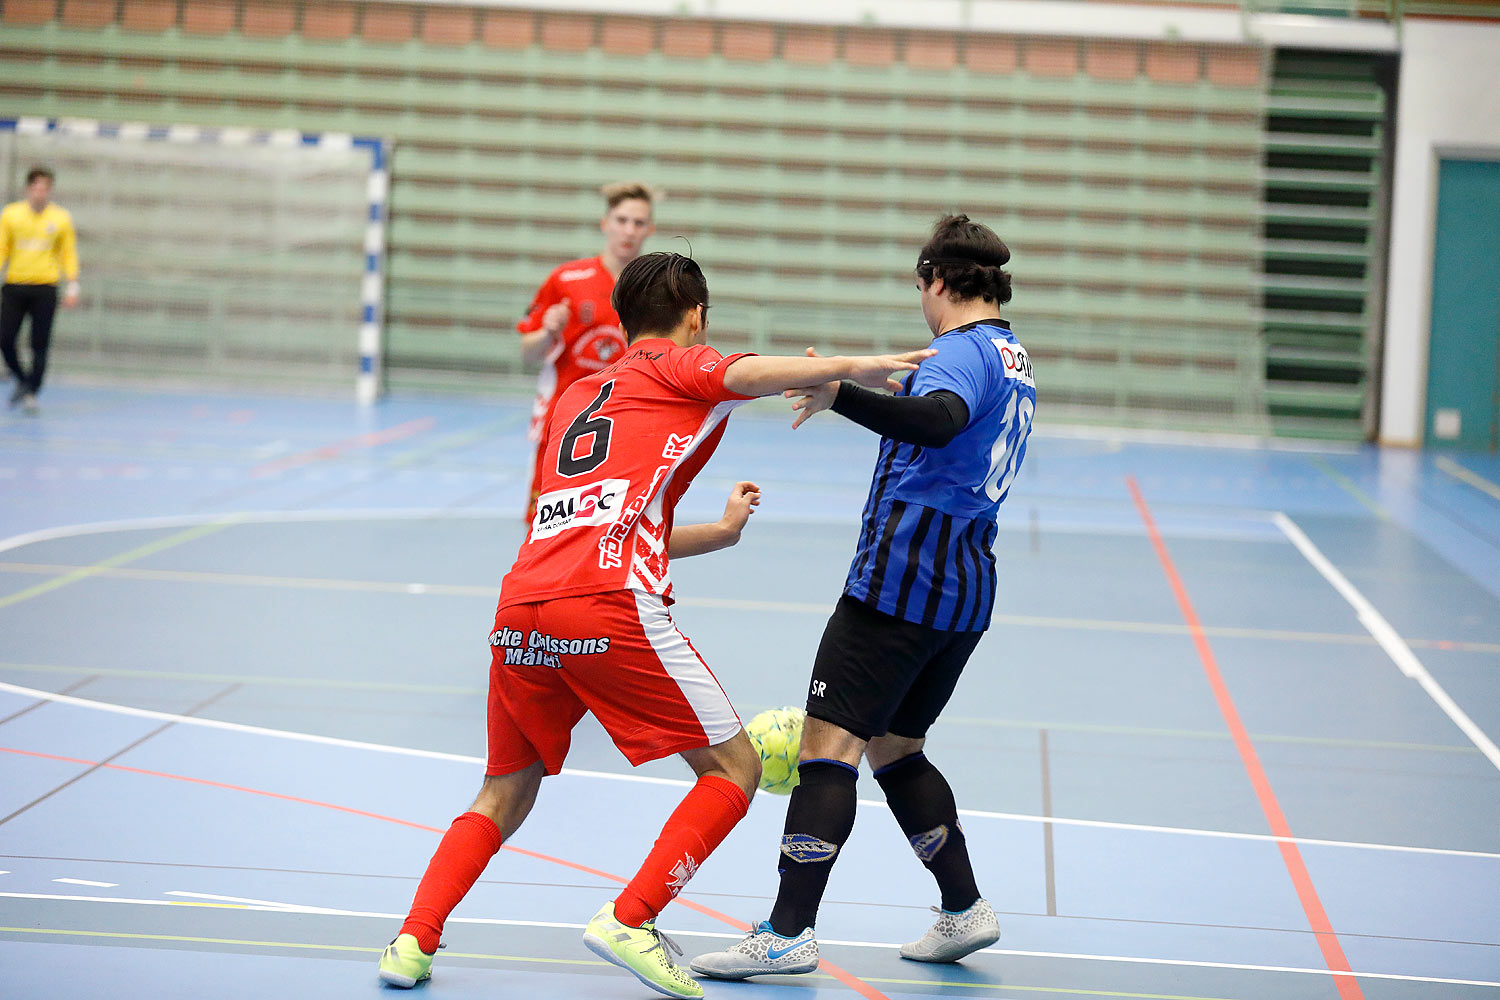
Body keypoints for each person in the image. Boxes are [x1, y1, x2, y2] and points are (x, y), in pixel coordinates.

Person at [377, 251, 935, 999]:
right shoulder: (679, 367)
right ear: (696, 316)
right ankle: (632, 919)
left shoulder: (578, 395)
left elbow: (594, 522)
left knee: (501, 794)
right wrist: (853, 368)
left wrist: (721, 532)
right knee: (736, 769)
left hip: (524, 605)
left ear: (619, 319)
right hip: (607, 606)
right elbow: (747, 374)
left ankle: (412, 940)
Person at [692, 214, 1036, 979]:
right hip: (965, 586)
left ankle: (787, 931)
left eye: (920, 288)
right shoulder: (1012, 355)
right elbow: (942, 418)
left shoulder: (960, 351)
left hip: (901, 583)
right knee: (896, 747)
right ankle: (963, 907)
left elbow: (940, 421)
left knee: (829, 747)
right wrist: (852, 388)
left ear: (937, 282)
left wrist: (839, 391)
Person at [516, 181, 656, 519]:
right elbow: (527, 353)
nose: (629, 231)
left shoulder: (655, 288)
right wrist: (548, 331)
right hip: (563, 423)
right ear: (605, 222)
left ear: (650, 229)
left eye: (638, 223)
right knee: (544, 525)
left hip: (627, 425)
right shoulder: (566, 279)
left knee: (612, 525)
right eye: (621, 220)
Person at [1, 166, 80, 414]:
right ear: (28, 189)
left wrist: (73, 285)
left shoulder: (60, 218)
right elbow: (2, 248)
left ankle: (32, 391)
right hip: (15, 285)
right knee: (5, 338)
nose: (39, 193)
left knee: (40, 344)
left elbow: (68, 253)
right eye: (35, 187)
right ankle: (23, 378)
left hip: (45, 287)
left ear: (49, 190)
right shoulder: (11, 215)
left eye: (44, 188)